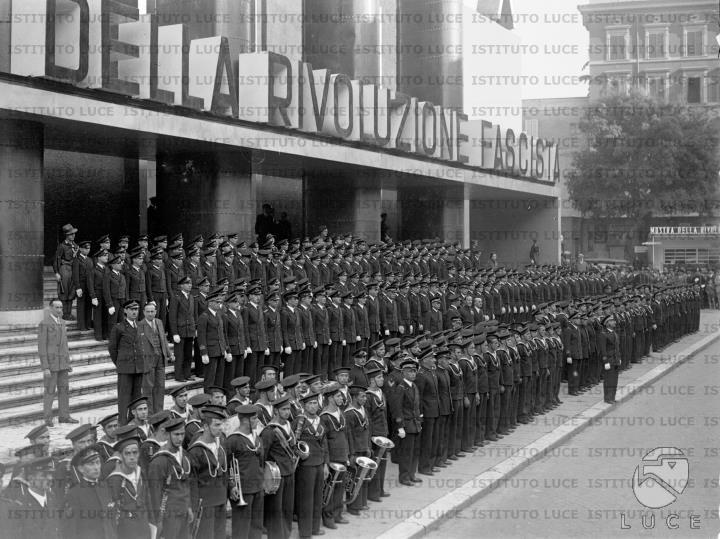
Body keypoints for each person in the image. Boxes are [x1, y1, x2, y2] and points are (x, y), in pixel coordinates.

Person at [146, 417, 194, 539]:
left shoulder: (183, 454)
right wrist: (158, 521)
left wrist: (188, 507)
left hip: (183, 511)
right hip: (168, 516)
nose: (180, 438)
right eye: (176, 434)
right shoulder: (158, 461)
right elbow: (154, 494)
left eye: (182, 434)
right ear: (167, 434)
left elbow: (186, 484)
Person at [223, 404, 265, 539]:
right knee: (242, 527)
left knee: (256, 525)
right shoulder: (233, 440)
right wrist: (231, 486)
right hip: (243, 490)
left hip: (257, 487)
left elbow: (261, 462)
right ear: (245, 421)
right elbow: (226, 466)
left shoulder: (256, 437)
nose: (257, 421)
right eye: (254, 418)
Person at [188, 406, 229, 539]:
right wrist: (193, 507)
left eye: (221, 424)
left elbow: (225, 471)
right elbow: (191, 483)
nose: (221, 428)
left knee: (220, 535)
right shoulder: (196, 451)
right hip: (205, 504)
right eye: (216, 425)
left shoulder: (221, 444)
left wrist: (231, 487)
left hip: (221, 499)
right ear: (206, 426)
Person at [260, 394, 297, 539]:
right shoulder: (269, 431)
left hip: (289, 471)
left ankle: (286, 534)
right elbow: (263, 455)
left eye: (288, 409)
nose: (287, 412)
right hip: (276, 475)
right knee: (276, 509)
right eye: (283, 410)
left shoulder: (288, 425)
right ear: (275, 411)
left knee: (288, 507)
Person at [61, 446, 116, 539]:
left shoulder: (106, 487)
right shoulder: (73, 494)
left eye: (98, 463)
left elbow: (111, 522)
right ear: (81, 469)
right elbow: (70, 531)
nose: (96, 468)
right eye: (91, 464)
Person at [38, 298, 77, 426]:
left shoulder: (62, 322)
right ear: (50, 308)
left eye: (61, 307)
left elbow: (64, 344)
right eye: (57, 307)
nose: (60, 310)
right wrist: (45, 367)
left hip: (63, 364)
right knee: (49, 392)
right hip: (51, 365)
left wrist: (68, 362)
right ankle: (47, 418)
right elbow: (42, 347)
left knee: (64, 391)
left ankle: (64, 416)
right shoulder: (44, 324)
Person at [108, 299, 146, 425]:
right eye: (132, 309)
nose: (135, 312)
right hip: (125, 368)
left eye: (136, 309)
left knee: (137, 396)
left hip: (138, 367)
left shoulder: (140, 326)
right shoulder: (119, 327)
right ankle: (123, 422)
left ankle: (134, 421)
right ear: (125, 311)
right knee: (124, 397)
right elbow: (112, 349)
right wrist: (120, 363)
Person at [106, 434, 151, 539]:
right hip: (125, 529)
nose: (132, 457)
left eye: (135, 453)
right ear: (121, 456)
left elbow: (148, 499)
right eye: (127, 453)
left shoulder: (141, 472)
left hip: (143, 526)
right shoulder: (115, 479)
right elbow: (110, 513)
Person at [2, 456, 59, 538]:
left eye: (51, 474)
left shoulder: (52, 498)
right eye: (44, 475)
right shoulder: (20, 507)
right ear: (31, 478)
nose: (50, 478)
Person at [389, 359, 422, 487]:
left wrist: (419, 420)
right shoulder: (401, 388)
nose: (413, 374)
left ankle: (411, 474)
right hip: (406, 425)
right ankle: (404, 477)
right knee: (406, 453)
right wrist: (400, 426)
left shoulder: (414, 386)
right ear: (403, 373)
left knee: (414, 452)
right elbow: (397, 408)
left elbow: (417, 406)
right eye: (410, 372)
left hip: (415, 424)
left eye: (414, 372)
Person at [137, 301, 172, 413]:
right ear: (143, 312)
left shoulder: (159, 322)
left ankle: (159, 411)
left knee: (160, 386)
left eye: (152, 311)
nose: (150, 314)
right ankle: (150, 413)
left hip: (160, 359)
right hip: (148, 361)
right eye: (148, 312)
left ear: (156, 312)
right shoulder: (140, 325)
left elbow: (163, 339)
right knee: (148, 388)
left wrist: (169, 353)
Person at [197, 290, 233, 391]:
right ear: (210, 303)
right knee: (210, 379)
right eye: (217, 302)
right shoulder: (204, 317)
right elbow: (201, 336)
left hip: (220, 351)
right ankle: (208, 400)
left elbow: (222, 334)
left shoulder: (218, 315)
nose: (219, 304)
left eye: (220, 302)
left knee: (219, 379)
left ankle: (217, 398)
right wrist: (203, 353)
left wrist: (226, 350)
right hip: (211, 352)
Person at [168, 275, 197, 382]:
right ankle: (179, 375)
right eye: (187, 283)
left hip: (189, 330)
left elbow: (193, 315)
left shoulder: (191, 297)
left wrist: (194, 329)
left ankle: (187, 374)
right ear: (181, 286)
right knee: (179, 355)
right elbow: (172, 317)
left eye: (190, 283)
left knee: (188, 354)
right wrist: (174, 333)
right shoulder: (176, 298)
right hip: (180, 331)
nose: (190, 285)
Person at [54, 223, 79, 320]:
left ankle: (69, 313)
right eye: (71, 234)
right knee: (64, 291)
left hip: (73, 269)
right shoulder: (62, 246)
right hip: (64, 269)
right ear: (66, 235)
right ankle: (65, 313)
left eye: (74, 234)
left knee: (72, 291)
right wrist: (57, 272)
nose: (73, 235)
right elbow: (57, 259)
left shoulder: (75, 246)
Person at [599, 315, 621, 404]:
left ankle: (612, 396)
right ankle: (607, 398)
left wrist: (619, 358)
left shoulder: (614, 333)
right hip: (609, 360)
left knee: (614, 380)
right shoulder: (603, 334)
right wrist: (605, 362)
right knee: (608, 379)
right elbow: (603, 350)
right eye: (612, 321)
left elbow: (617, 348)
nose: (614, 322)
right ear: (607, 323)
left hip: (615, 360)